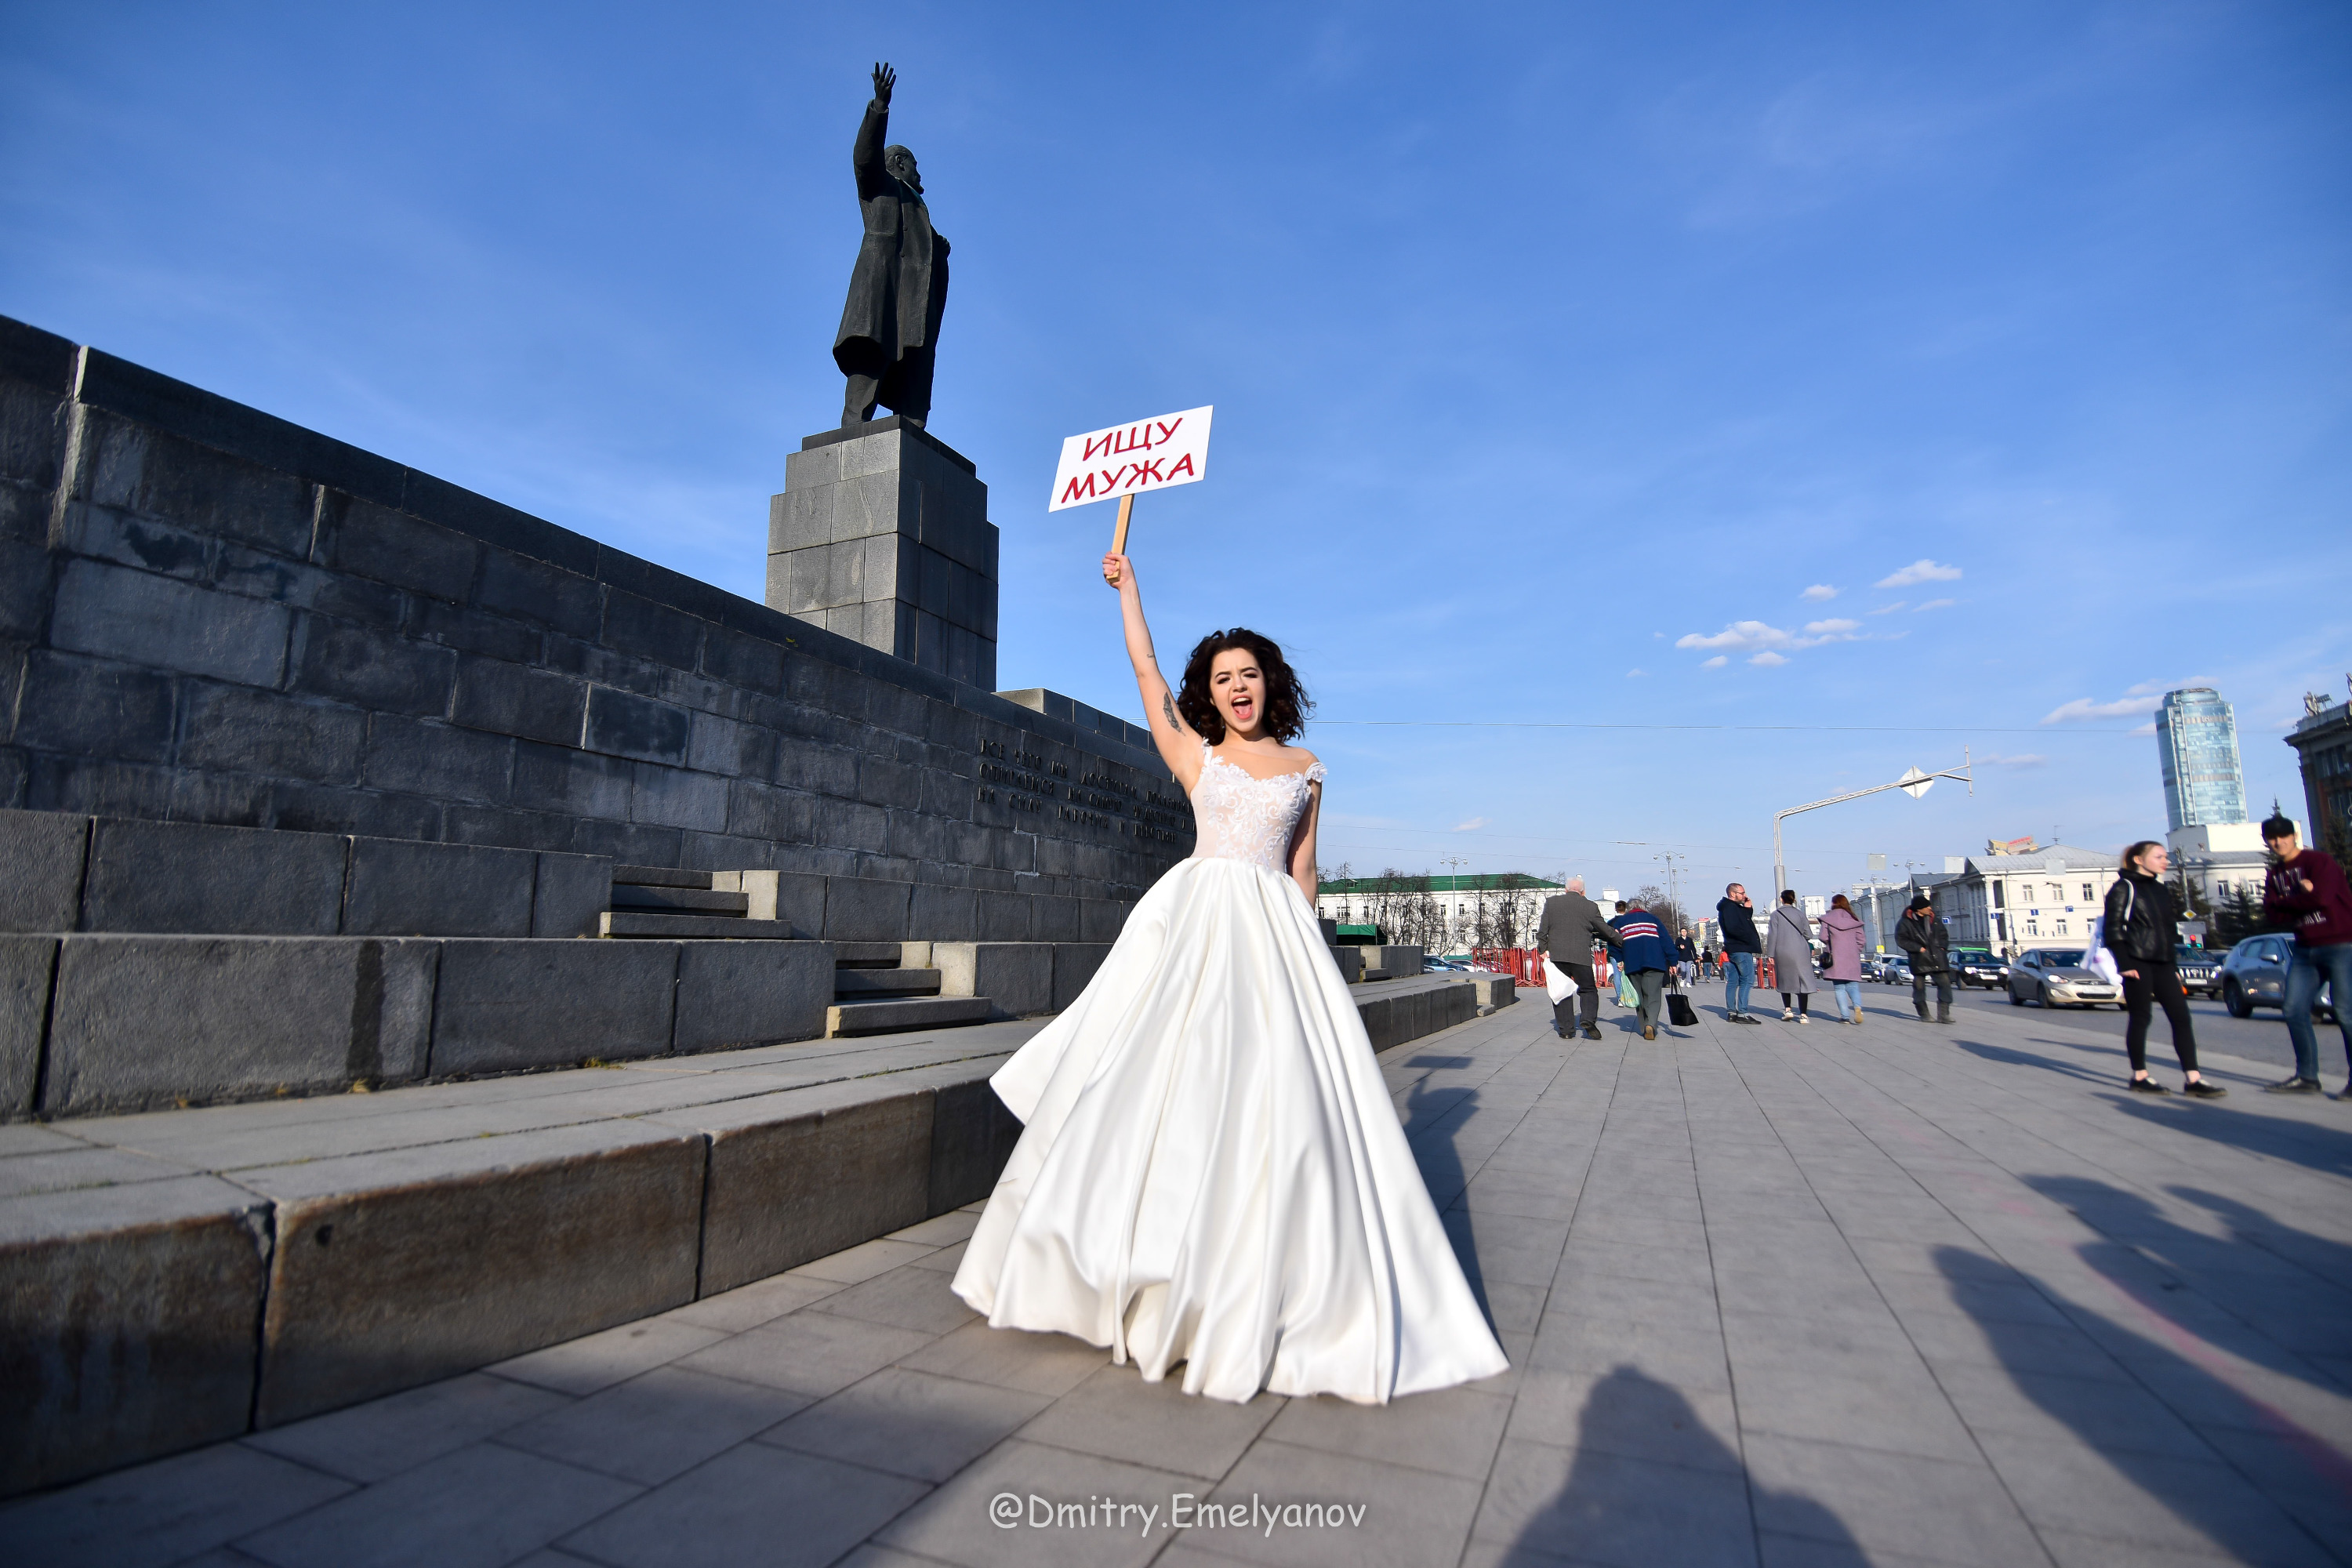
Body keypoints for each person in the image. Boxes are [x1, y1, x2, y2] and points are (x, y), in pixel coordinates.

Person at [952, 551, 1506, 1403]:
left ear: (1268, 683)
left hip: (1274, 935)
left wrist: (1312, 953)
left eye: (1249, 675)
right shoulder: (1195, 755)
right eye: (1222, 678)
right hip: (1196, 924)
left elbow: (1306, 868)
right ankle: (1130, 1266)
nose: (1237, 688)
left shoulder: (1308, 768)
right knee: (1165, 1081)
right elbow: (1142, 666)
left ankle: (1255, 1278)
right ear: (1206, 694)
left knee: (1268, 1097)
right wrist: (1130, 589)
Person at [2102, 841, 2223, 1098]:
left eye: (2165, 857)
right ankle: (2140, 1076)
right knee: (2141, 1018)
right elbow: (2113, 929)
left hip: (2164, 964)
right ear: (2138, 859)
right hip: (2137, 963)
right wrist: (2125, 964)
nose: (2164, 861)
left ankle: (2193, 1079)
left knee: (2182, 1018)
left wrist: (2174, 965)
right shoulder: (2124, 888)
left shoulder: (2160, 890)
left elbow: (2167, 931)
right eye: (2158, 856)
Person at [2259, 814, 2352, 1097]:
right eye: (2272, 838)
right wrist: (2300, 894)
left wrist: (2285, 902)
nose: (2278, 842)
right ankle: (2307, 1077)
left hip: (2340, 943)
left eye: (2283, 836)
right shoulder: (2276, 873)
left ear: (2294, 836)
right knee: (2294, 1009)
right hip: (2304, 949)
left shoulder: (2319, 862)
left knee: (2346, 1013)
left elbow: (2321, 899)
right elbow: (2272, 914)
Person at [1534, 876, 1620, 1041]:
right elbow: (1604, 929)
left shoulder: (1552, 903)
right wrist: (1621, 941)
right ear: (1583, 892)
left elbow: (1542, 930)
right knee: (1588, 989)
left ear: (1566, 890)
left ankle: (1566, 1030)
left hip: (1557, 957)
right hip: (1581, 956)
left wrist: (1543, 949)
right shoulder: (1590, 906)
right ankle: (1587, 1019)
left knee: (1562, 991)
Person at [1609, 898, 1680, 1040]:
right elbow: (1666, 941)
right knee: (1653, 995)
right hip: (1655, 963)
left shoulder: (1621, 923)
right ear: (1643, 907)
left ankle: (1643, 1026)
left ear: (1628, 909)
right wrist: (1673, 961)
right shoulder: (1653, 920)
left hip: (1632, 964)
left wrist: (1619, 959)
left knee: (1639, 996)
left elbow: (1614, 943)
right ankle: (1651, 1024)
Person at [1893, 894, 1955, 1024]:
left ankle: (1944, 1014)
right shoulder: (1905, 922)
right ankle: (1924, 1014)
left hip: (1938, 956)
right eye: (1926, 906)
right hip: (1919, 958)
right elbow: (1901, 940)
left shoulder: (1934, 919)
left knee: (1945, 984)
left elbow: (1944, 935)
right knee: (1919, 987)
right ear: (1918, 909)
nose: (1929, 908)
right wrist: (1917, 948)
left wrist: (1942, 947)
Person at [1765, 891, 1817, 1022]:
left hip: (1782, 951)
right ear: (1794, 900)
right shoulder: (1800, 914)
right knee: (1802, 982)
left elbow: (1772, 936)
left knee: (1784, 979)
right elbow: (1809, 935)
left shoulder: (1776, 915)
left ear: (1781, 899)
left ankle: (1788, 1009)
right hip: (1801, 951)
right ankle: (1804, 1015)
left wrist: (1770, 954)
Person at [1818, 894, 1868, 1025]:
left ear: (1833, 904)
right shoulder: (1853, 920)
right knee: (1853, 985)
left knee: (1839, 988)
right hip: (1852, 957)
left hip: (1835, 957)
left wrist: (1832, 943)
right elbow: (1861, 940)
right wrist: (1854, 949)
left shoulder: (1828, 919)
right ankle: (1857, 1007)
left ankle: (1845, 1017)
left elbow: (1823, 937)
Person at [1717, 884, 1763, 1024]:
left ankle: (1731, 1012)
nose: (1745, 896)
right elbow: (1735, 928)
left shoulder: (1731, 907)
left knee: (1733, 981)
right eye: (1742, 893)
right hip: (1741, 949)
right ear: (1733, 894)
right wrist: (1748, 938)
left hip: (1733, 948)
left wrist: (1747, 908)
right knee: (1747, 980)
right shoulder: (1730, 908)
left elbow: (1743, 921)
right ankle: (1742, 1013)